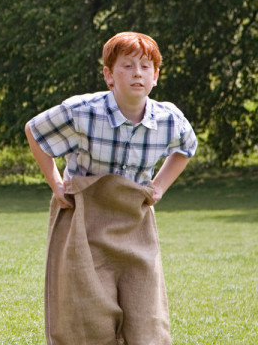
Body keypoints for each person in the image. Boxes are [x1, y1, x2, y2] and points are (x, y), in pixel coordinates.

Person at [26, 31, 196, 344]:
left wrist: (159, 187)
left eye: (146, 67)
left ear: (155, 76)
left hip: (135, 223)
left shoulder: (168, 119)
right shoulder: (82, 111)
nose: (137, 74)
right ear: (109, 75)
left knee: (145, 319)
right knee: (87, 318)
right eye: (127, 66)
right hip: (84, 222)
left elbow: (187, 147)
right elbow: (34, 131)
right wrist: (56, 184)